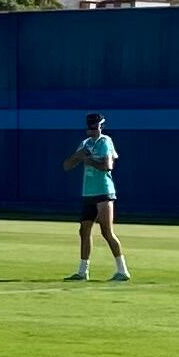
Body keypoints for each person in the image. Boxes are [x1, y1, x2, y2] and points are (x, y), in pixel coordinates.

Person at [64, 112, 131, 281]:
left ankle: (122, 270)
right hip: (89, 192)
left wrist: (89, 160)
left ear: (101, 126)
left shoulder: (105, 141)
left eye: (96, 127)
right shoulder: (85, 143)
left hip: (103, 191)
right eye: (91, 127)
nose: (93, 130)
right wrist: (78, 156)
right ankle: (82, 271)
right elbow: (67, 166)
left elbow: (108, 166)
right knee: (84, 230)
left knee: (106, 231)